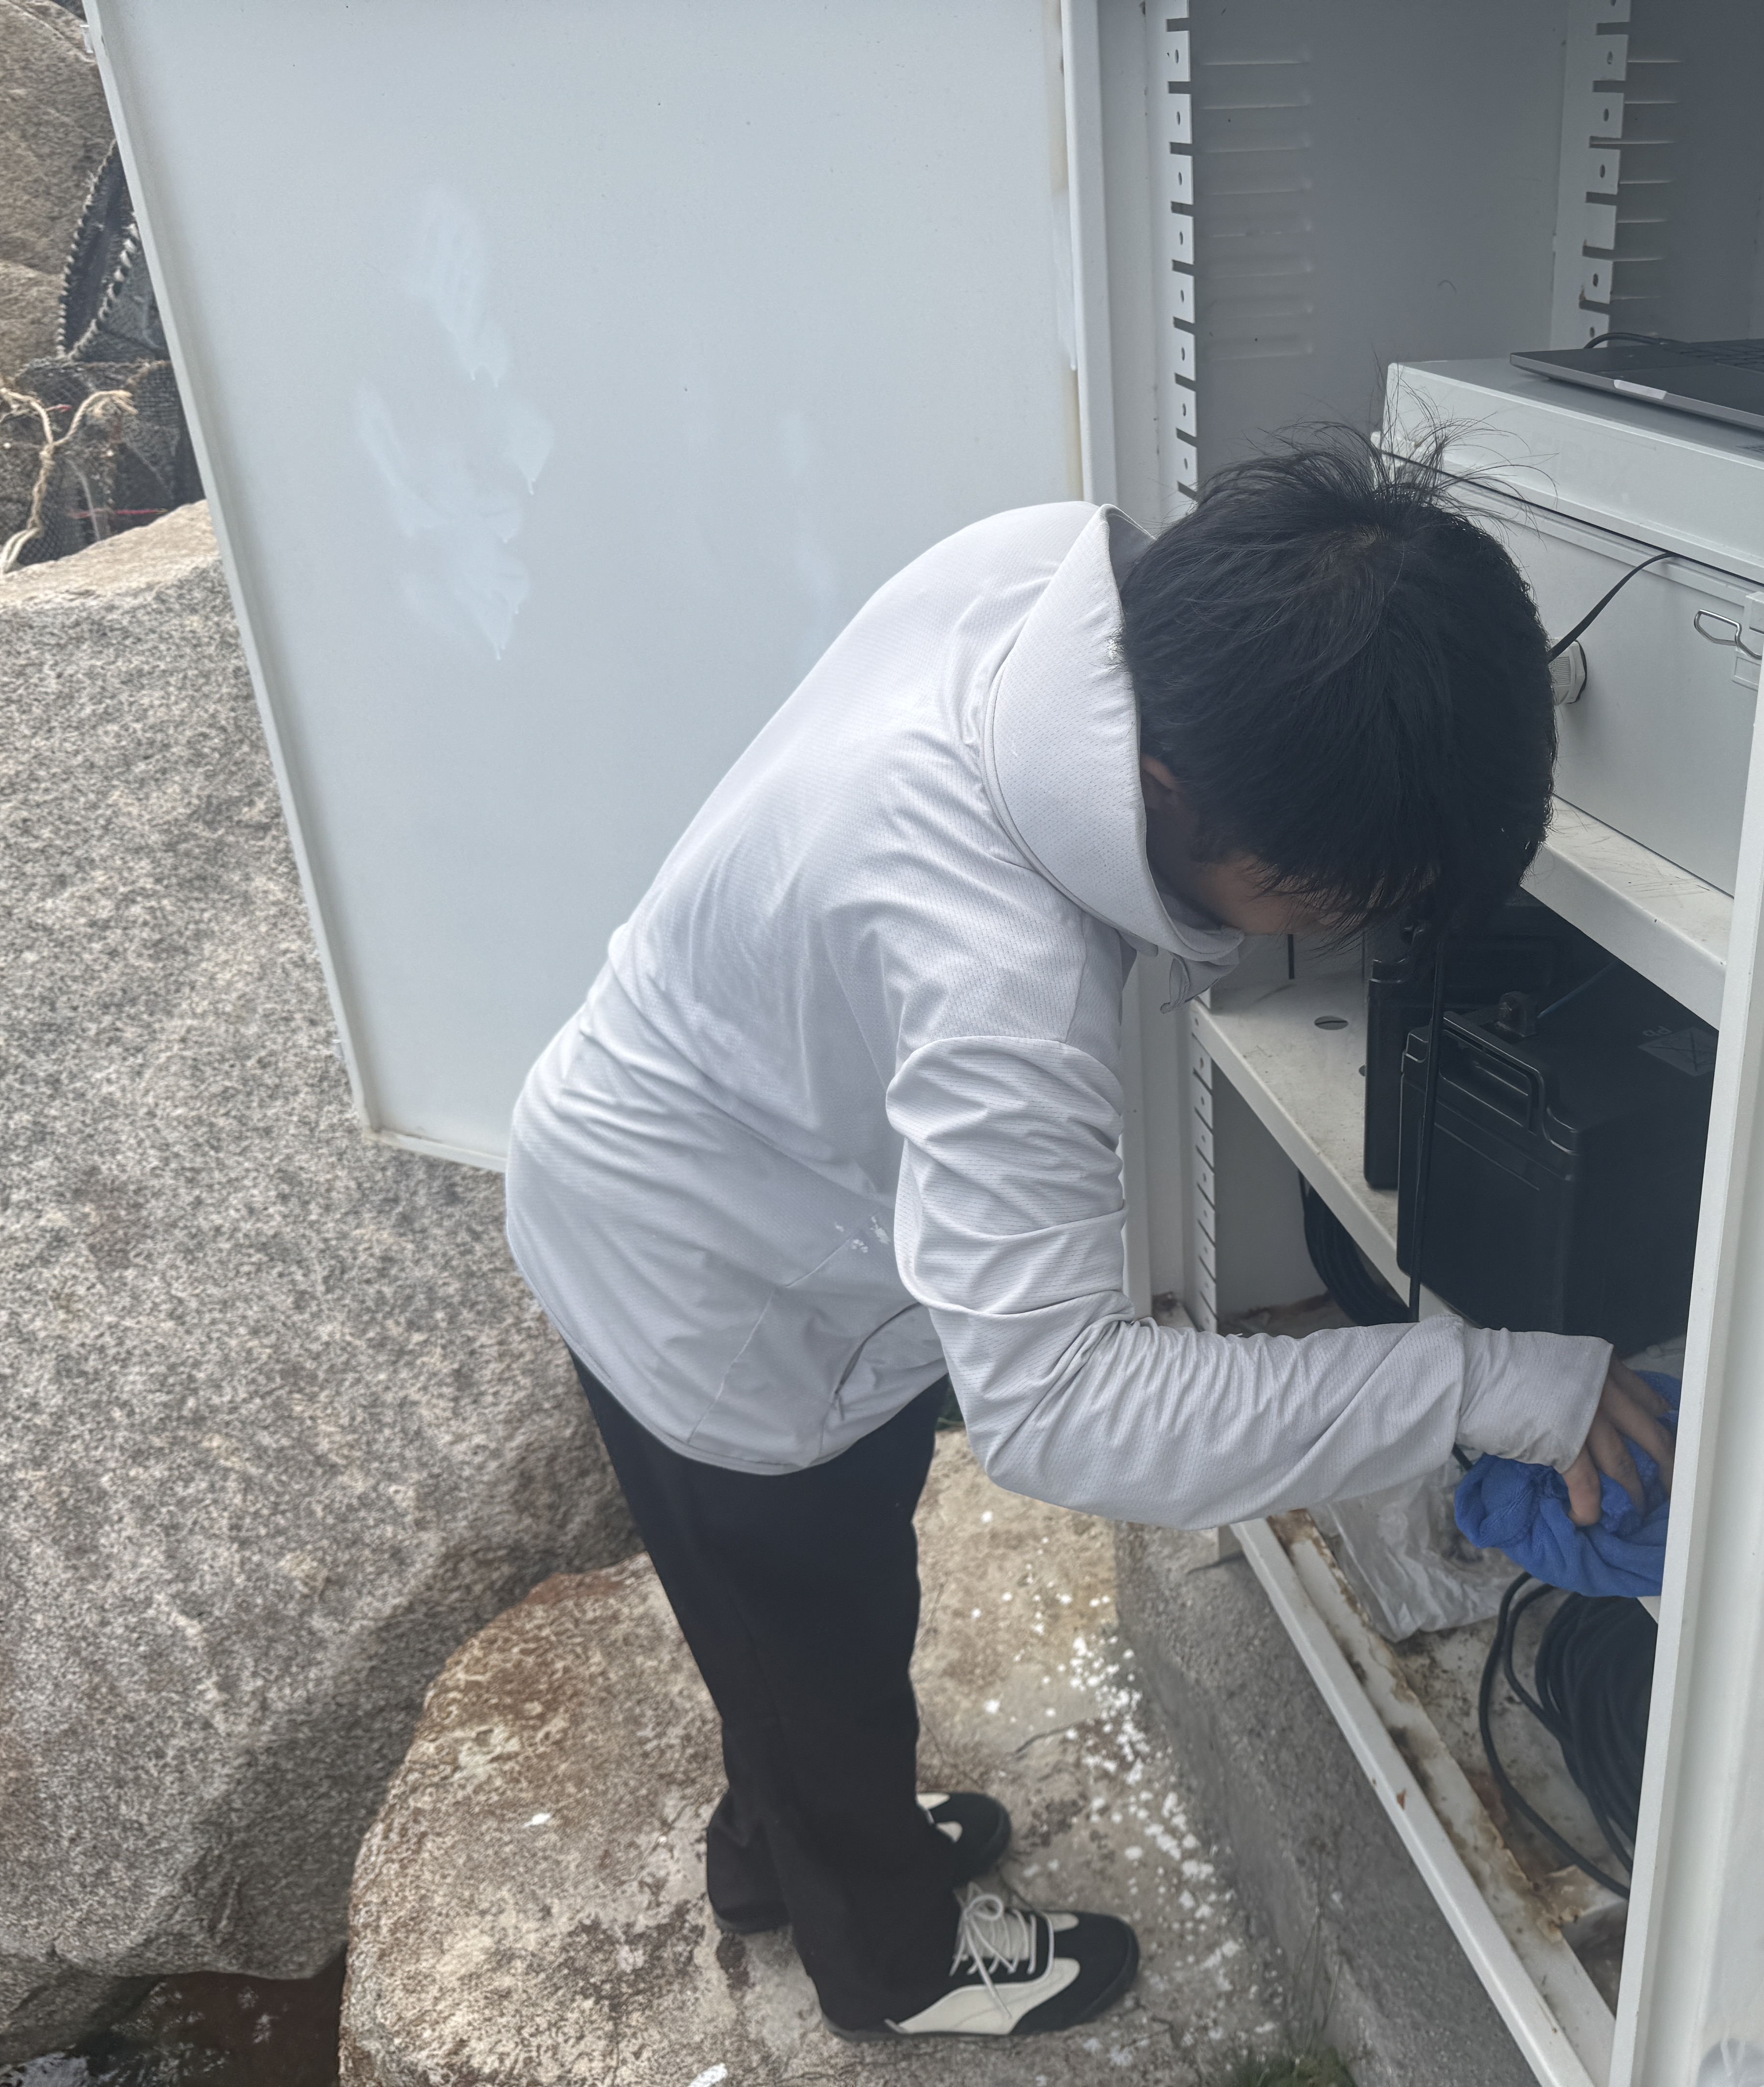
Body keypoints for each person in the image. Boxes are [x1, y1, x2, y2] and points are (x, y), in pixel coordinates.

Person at [503, 432, 1676, 2041]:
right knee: (813, 1629)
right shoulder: (993, 970)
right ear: (1176, 796)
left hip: (696, 1155)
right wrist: (1481, 1380)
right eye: (1326, 900)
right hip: (709, 1292)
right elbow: (1060, 1410)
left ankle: (775, 1850)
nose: (1336, 933)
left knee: (789, 1629)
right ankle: (891, 1958)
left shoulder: (1048, 586)